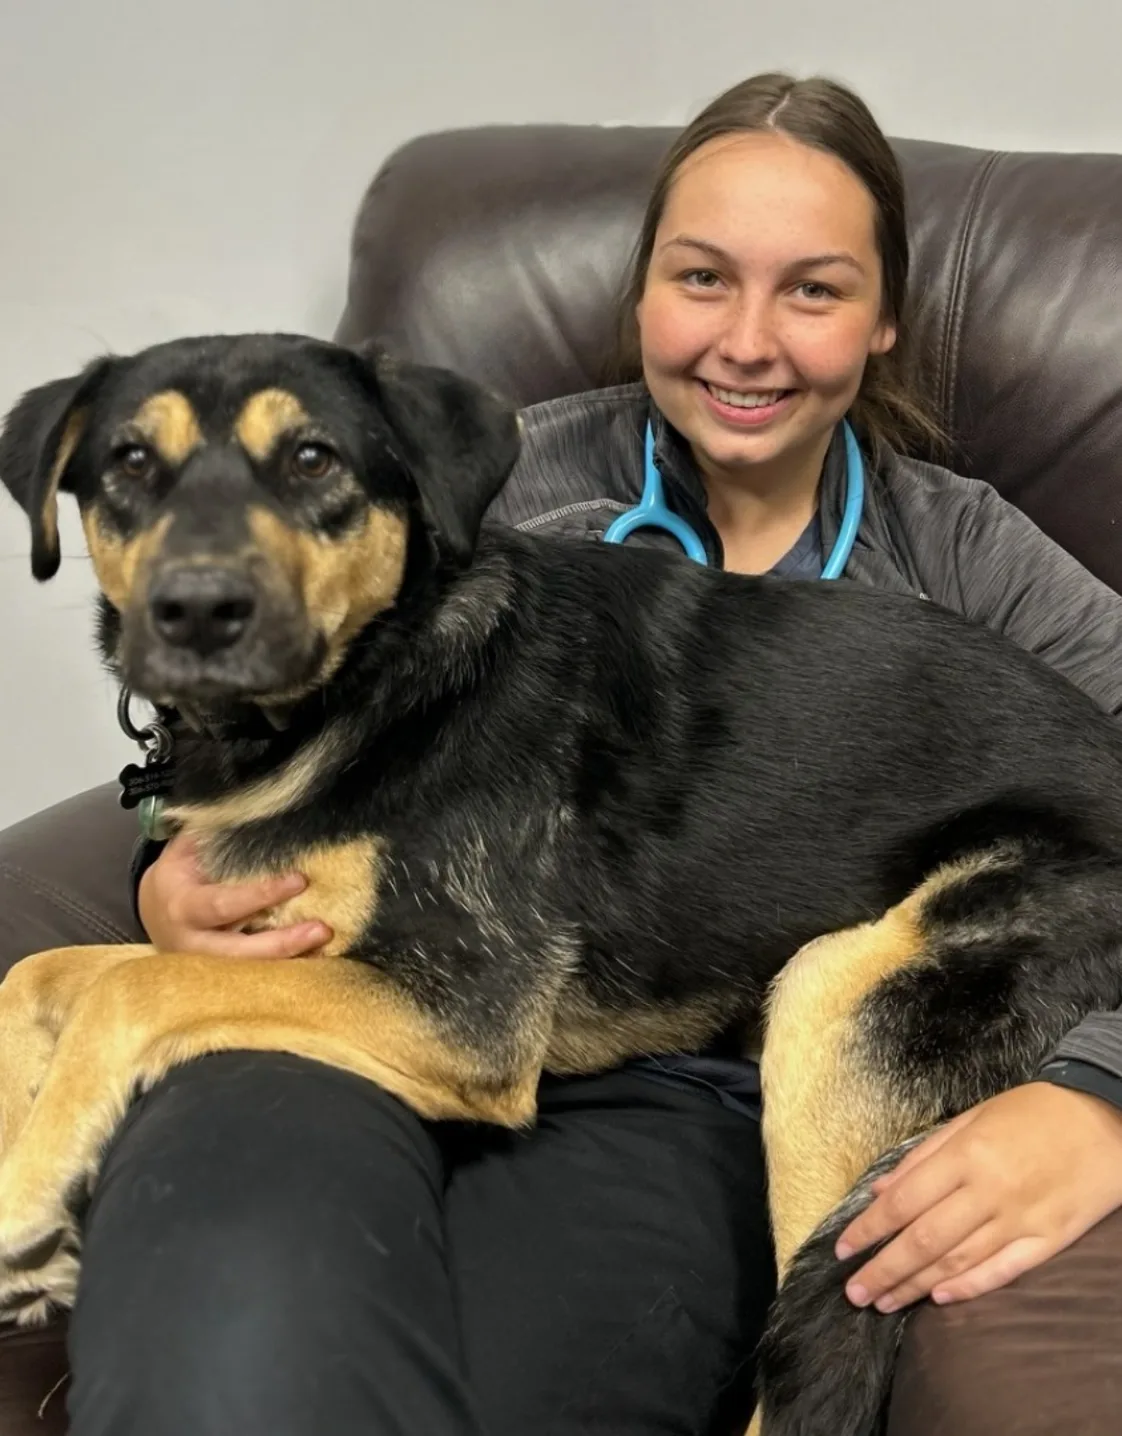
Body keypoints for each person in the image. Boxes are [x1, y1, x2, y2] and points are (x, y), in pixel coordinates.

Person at [70, 73, 1122, 1436]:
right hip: (360, 1004)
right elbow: (226, 696)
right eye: (700, 278)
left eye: (811, 290)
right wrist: (166, 860)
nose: (746, 341)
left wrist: (1098, 1098)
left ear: (883, 321)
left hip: (683, 1090)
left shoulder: (964, 558)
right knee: (235, 1294)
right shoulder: (474, 484)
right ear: (638, 296)